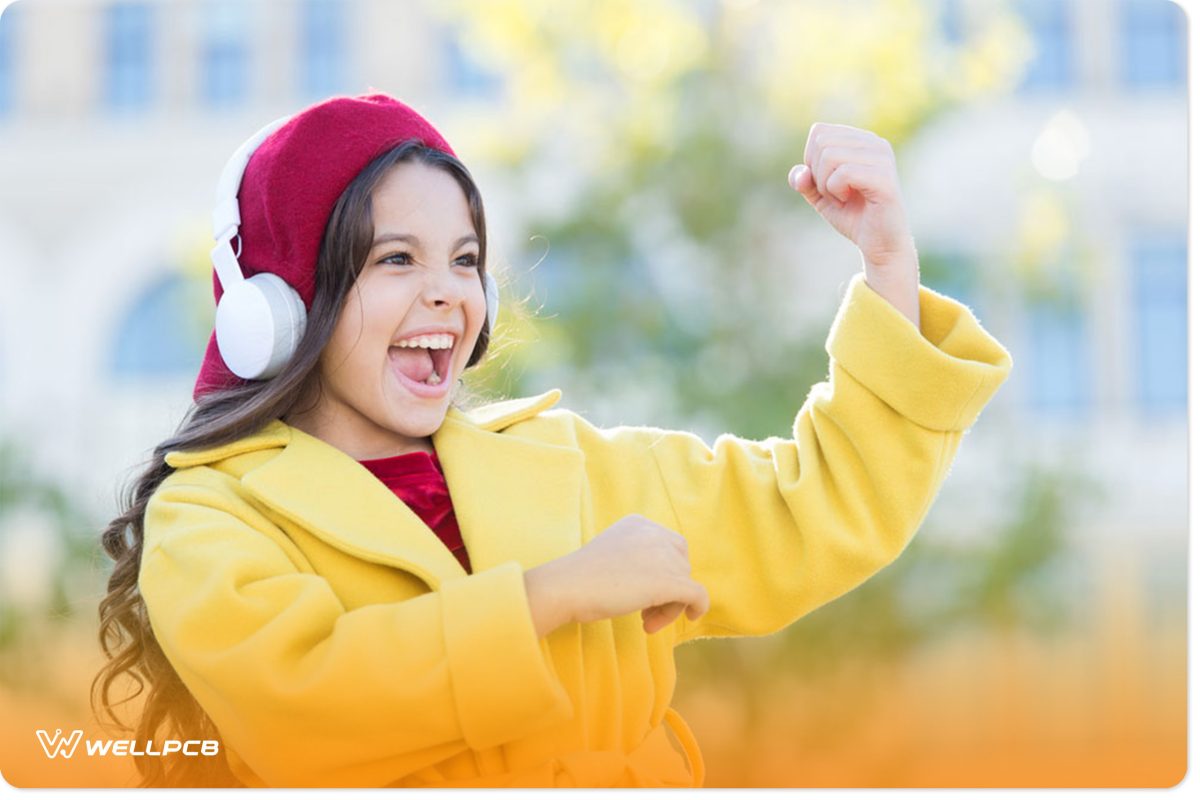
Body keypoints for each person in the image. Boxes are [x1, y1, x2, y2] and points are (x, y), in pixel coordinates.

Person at [92, 92, 1012, 789]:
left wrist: (889, 265)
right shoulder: (212, 513)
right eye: (396, 259)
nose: (450, 292)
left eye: (464, 260)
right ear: (283, 308)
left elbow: (819, 506)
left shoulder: (569, 467)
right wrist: (555, 595)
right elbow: (306, 705)